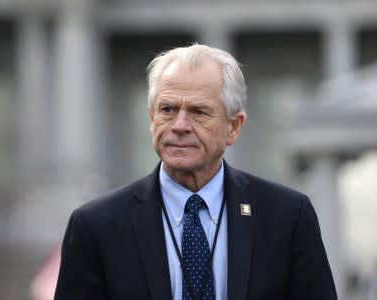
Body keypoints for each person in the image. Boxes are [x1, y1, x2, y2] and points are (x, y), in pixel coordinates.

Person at [54, 44, 337, 300]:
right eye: (167, 109)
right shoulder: (96, 226)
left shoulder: (287, 216)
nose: (179, 125)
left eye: (199, 112)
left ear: (234, 127)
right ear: (152, 119)